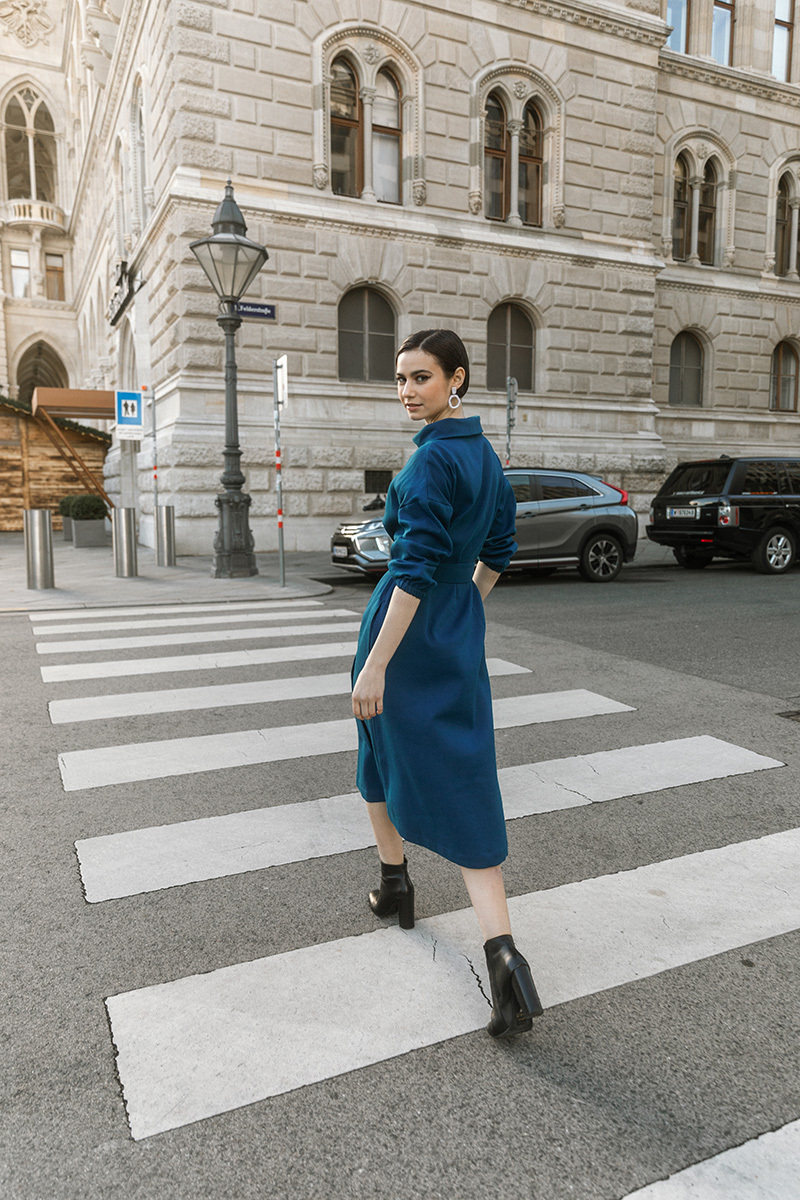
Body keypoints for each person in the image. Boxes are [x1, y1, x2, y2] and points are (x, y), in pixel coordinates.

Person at [351, 328, 543, 1038]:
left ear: (456, 379)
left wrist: (377, 661)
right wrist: (462, 613)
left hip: (402, 635)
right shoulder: (487, 458)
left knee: (377, 751)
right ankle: (503, 956)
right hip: (454, 633)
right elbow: (497, 551)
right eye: (400, 379)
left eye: (421, 378)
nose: (406, 391)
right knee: (465, 778)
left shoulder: (431, 463)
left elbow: (412, 569)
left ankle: (396, 885)